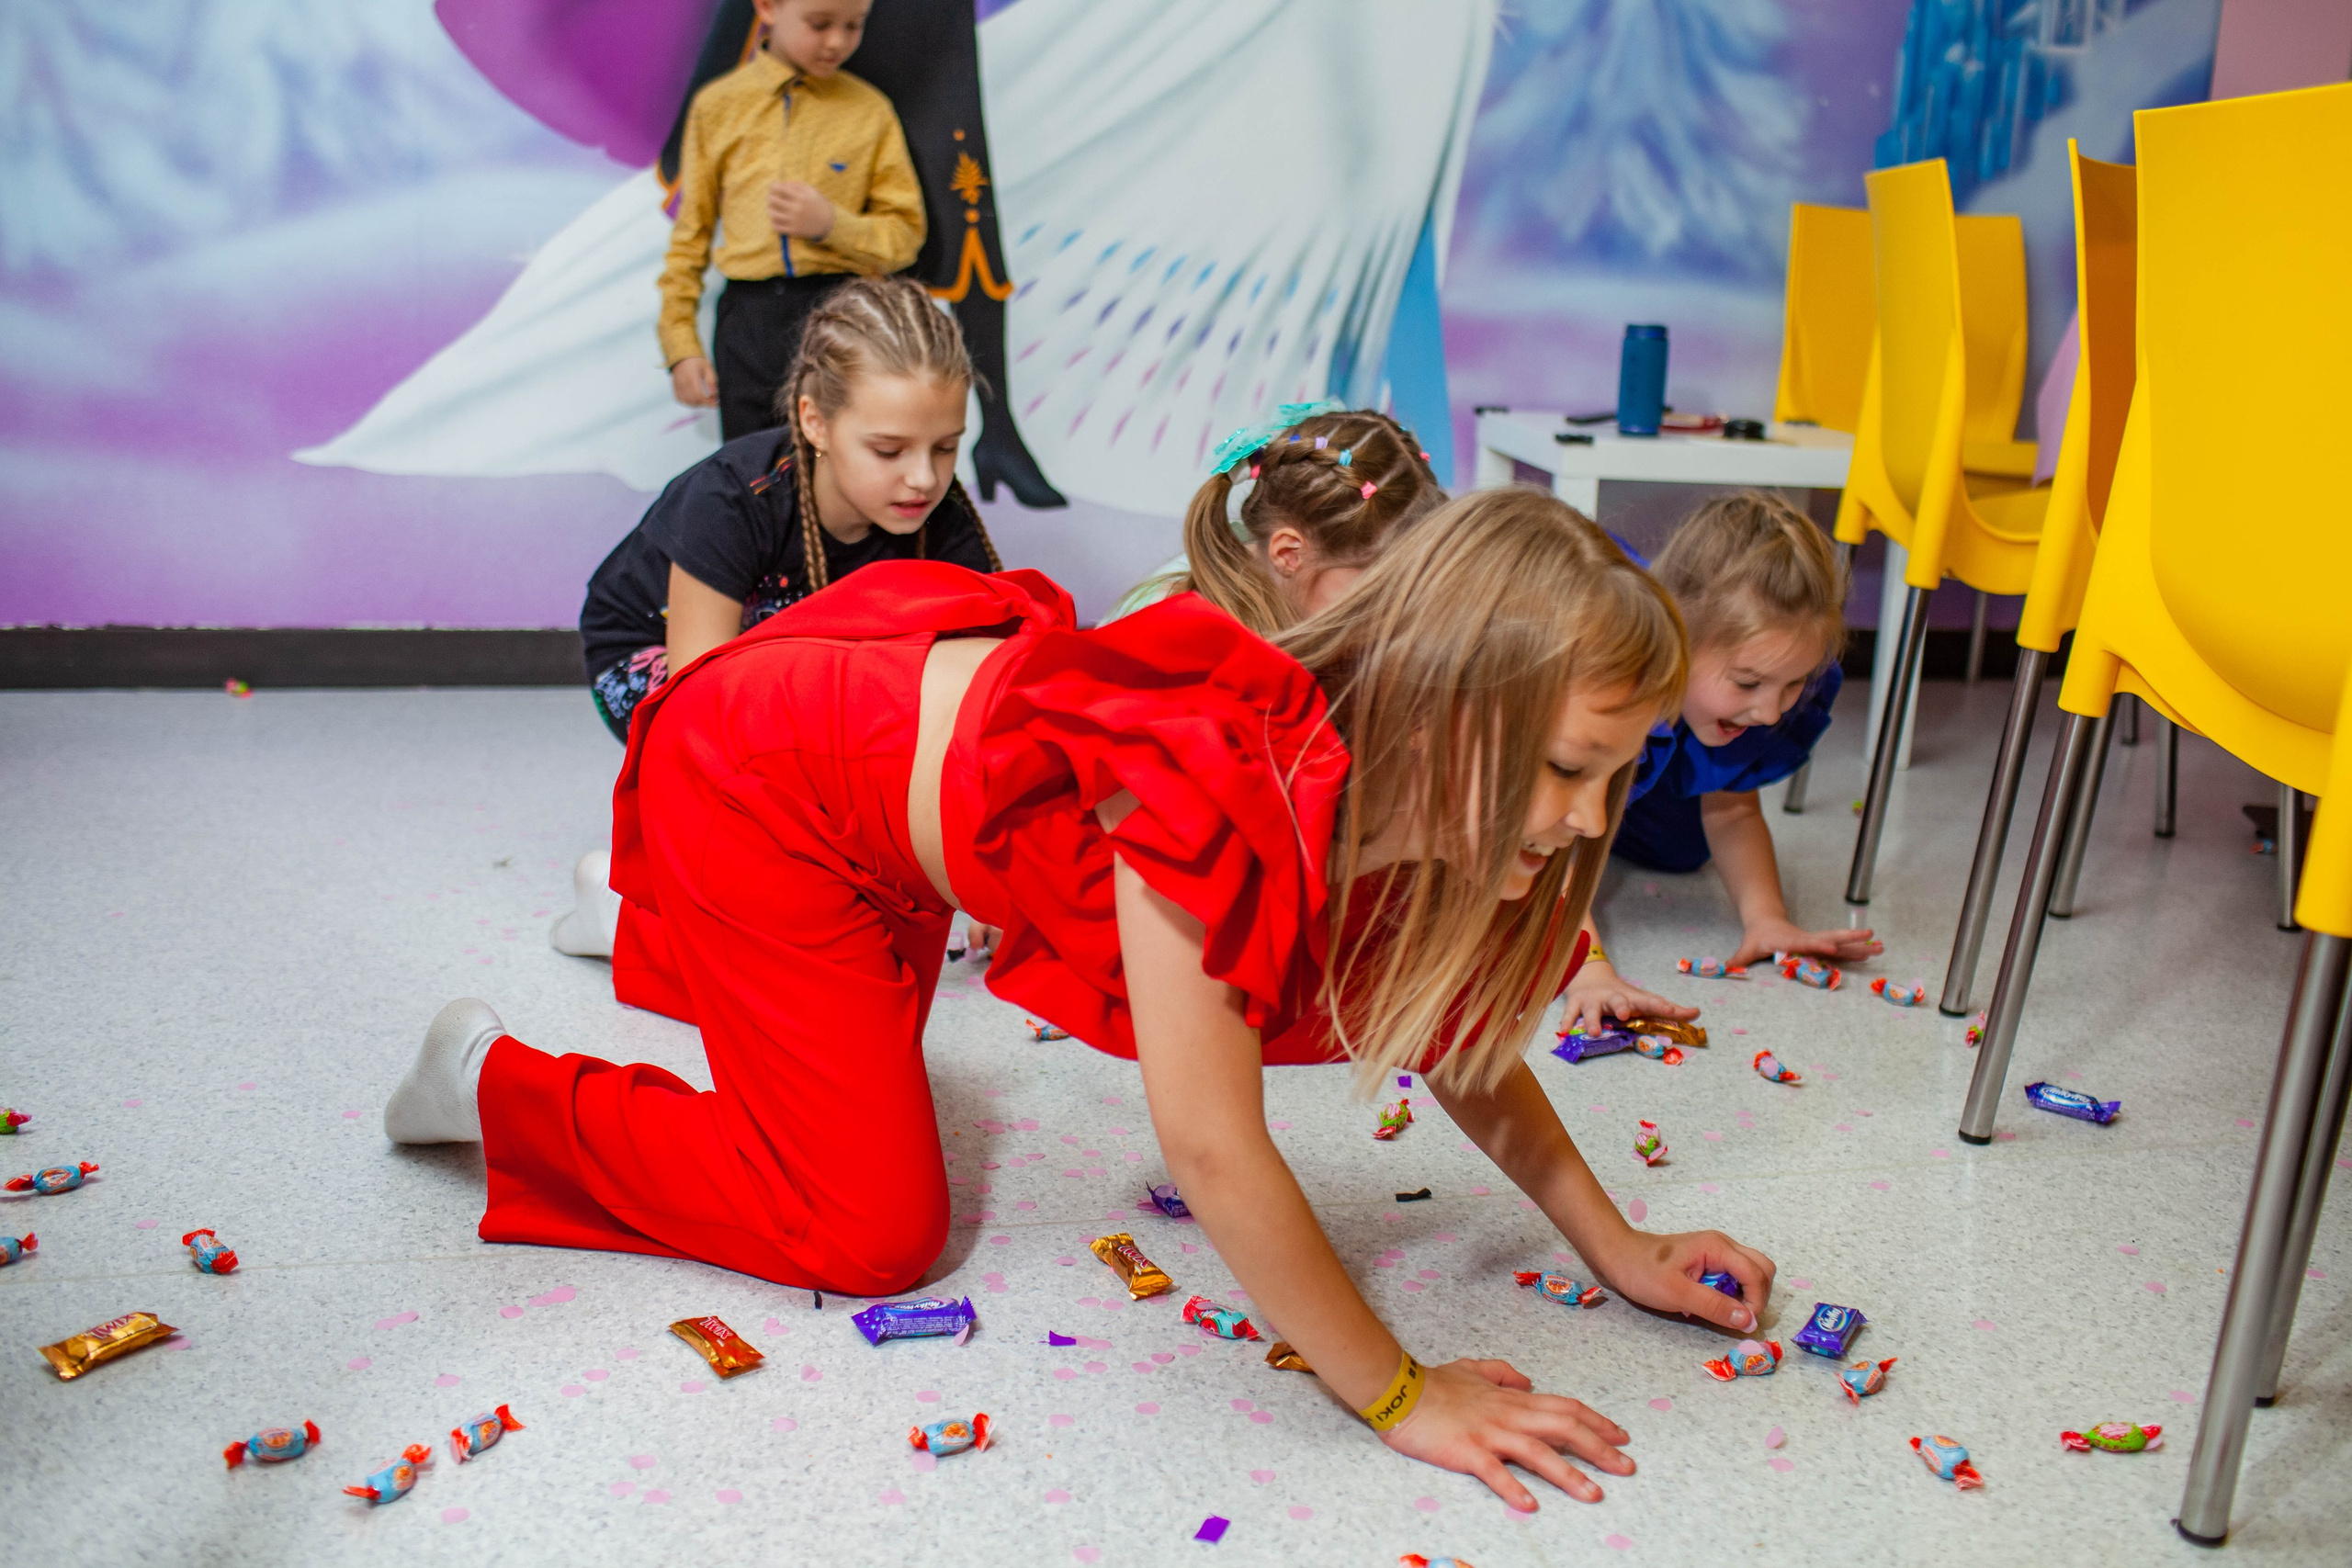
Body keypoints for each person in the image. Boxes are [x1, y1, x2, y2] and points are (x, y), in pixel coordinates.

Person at [388, 490, 1777, 1511]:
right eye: (1569, 768)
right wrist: (1399, 1392)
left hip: (909, 799)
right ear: (1446, 707)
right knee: (870, 1231)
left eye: (1620, 769)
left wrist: (1619, 1241)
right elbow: (1216, 1151)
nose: (1593, 817)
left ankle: (639, 907)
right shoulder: (1217, 785)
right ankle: (494, 1076)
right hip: (777, 777)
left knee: (868, 1079)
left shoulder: (1446, 812)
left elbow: (1458, 1035)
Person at [579, 276, 1001, 748]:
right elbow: (698, 702)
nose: (924, 478)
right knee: (776, 744)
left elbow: (985, 667)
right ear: (815, 423)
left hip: (783, 665)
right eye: (888, 451)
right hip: (655, 651)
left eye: (945, 448)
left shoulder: (938, 509)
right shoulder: (731, 499)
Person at [1560, 491, 1879, 1033]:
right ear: (1679, 633)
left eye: (1795, 683)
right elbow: (1553, 846)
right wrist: (1584, 968)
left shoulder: (1743, 703)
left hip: (1659, 774)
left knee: (1681, 851)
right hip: (1548, 787)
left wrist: (1767, 919)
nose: (1771, 709)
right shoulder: (1608, 682)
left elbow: (1732, 812)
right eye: (1750, 682)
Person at [658, 0, 925, 441]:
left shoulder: (869, 110)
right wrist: (681, 346)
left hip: (842, 318)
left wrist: (831, 225)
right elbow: (691, 237)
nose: (837, 41)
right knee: (755, 474)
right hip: (749, 322)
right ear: (767, 7)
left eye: (854, 26)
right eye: (819, 24)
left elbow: (905, 233)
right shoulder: (718, 107)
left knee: (843, 469)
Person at [1114, 403, 1445, 632]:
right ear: (1289, 554)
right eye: (1374, 594)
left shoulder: (1293, 597)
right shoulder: (1177, 636)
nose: (1391, 614)